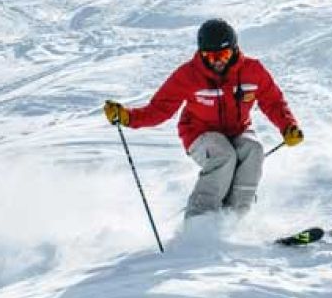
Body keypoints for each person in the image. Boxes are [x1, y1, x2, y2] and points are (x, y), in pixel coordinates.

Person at [104, 19, 304, 219]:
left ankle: (235, 217)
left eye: (223, 54)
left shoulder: (253, 71)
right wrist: (127, 117)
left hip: (238, 130)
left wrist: (288, 127)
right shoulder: (188, 75)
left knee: (254, 150)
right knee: (223, 155)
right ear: (201, 53)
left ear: (234, 50)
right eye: (210, 55)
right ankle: (199, 220)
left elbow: (274, 102)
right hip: (199, 133)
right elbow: (159, 109)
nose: (217, 61)